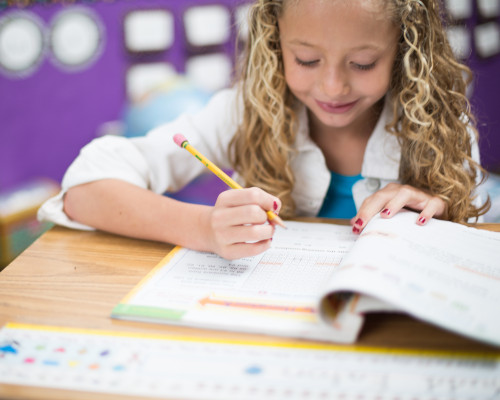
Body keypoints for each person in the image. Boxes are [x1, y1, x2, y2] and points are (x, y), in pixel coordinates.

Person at [39, 0, 490, 260]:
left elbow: (469, 246)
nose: (332, 86)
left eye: (363, 63)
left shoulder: (438, 120)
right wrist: (202, 227)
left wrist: (440, 212)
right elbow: (84, 187)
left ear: (408, 49)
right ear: (275, 41)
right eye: (307, 60)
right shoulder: (246, 110)